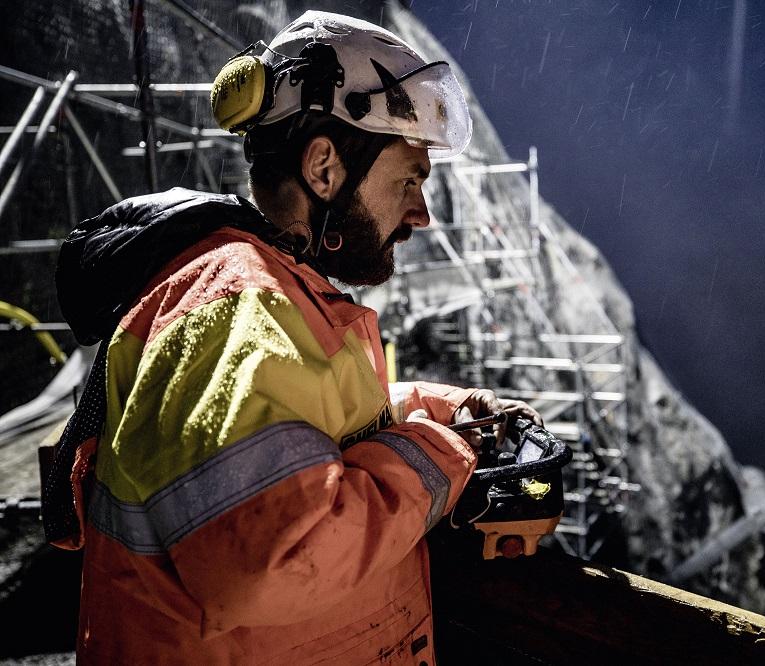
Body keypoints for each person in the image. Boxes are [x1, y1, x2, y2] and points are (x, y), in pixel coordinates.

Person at [46, 11, 539, 664]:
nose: (420, 213)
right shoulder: (233, 307)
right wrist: (447, 452)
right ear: (325, 168)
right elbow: (274, 564)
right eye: (410, 179)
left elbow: (298, 415)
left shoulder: (252, 296)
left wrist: (437, 408)